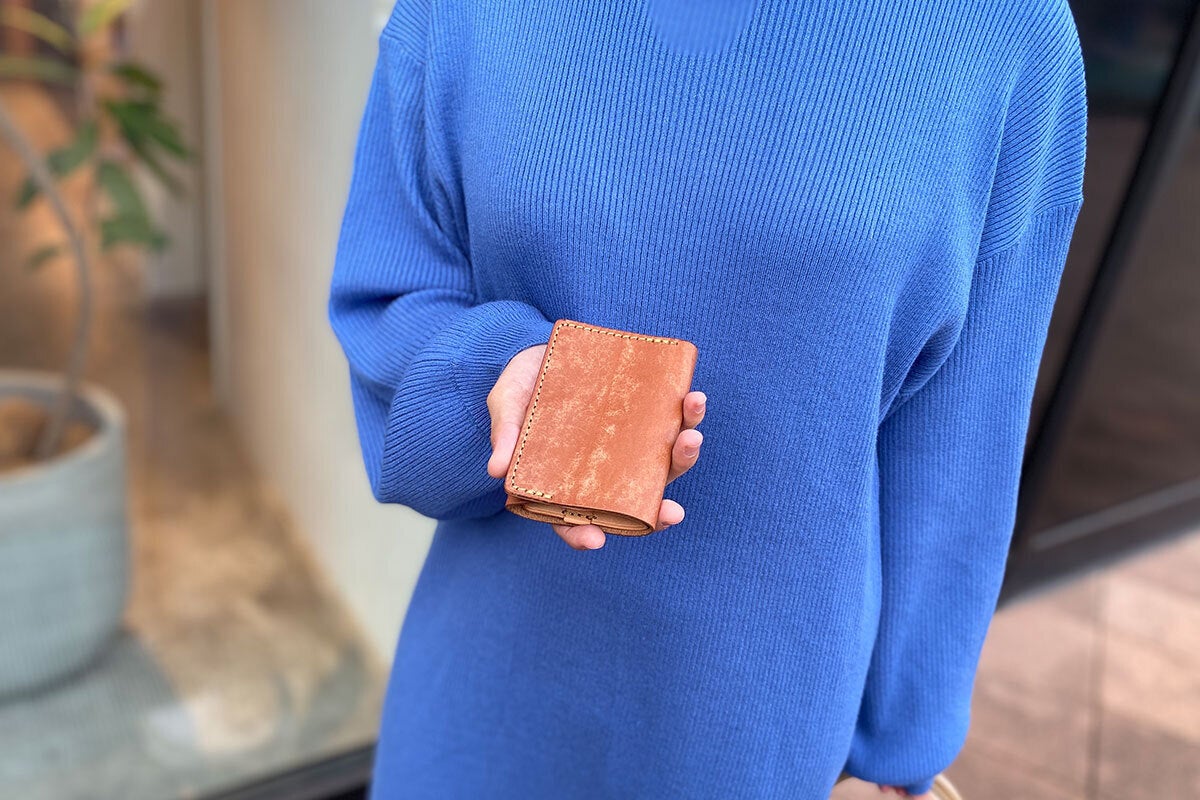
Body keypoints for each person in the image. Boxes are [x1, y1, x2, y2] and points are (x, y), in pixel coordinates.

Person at [327, 0, 1087, 796]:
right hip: (486, 685)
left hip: (759, 719)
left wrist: (898, 750)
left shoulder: (1004, 31)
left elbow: (962, 446)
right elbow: (387, 298)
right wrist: (500, 373)